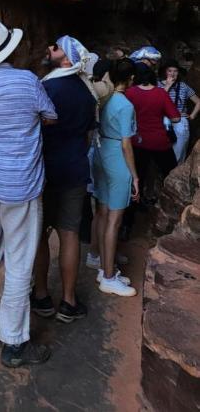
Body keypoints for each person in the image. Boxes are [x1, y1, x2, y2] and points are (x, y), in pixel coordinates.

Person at [0, 19, 58, 369]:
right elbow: (50, 116)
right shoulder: (27, 81)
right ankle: (14, 344)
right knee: (18, 263)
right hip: (20, 184)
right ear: (11, 50)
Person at [32, 36, 97, 323]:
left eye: (55, 47)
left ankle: (42, 295)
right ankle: (69, 301)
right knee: (69, 233)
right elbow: (87, 135)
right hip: (74, 167)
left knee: (40, 233)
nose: (49, 49)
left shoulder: (45, 87)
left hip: (44, 170)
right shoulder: (87, 91)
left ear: (67, 59)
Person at [93, 59, 139, 297]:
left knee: (102, 212)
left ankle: (104, 267)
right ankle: (109, 277)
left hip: (100, 154)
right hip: (117, 159)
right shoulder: (126, 105)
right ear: (131, 79)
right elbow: (126, 144)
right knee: (115, 219)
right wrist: (135, 176)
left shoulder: (104, 98)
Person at [126, 66, 180, 207]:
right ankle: (172, 204)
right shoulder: (161, 93)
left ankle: (133, 210)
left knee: (137, 176)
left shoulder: (130, 92)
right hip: (158, 140)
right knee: (171, 172)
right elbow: (175, 118)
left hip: (137, 140)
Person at [159, 59, 200, 164]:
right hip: (162, 121)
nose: (172, 73)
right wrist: (167, 86)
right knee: (162, 151)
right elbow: (156, 101)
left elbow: (198, 101)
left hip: (180, 121)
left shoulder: (183, 86)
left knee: (179, 151)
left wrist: (192, 116)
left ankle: (174, 175)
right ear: (165, 72)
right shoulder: (157, 84)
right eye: (170, 71)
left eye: (175, 71)